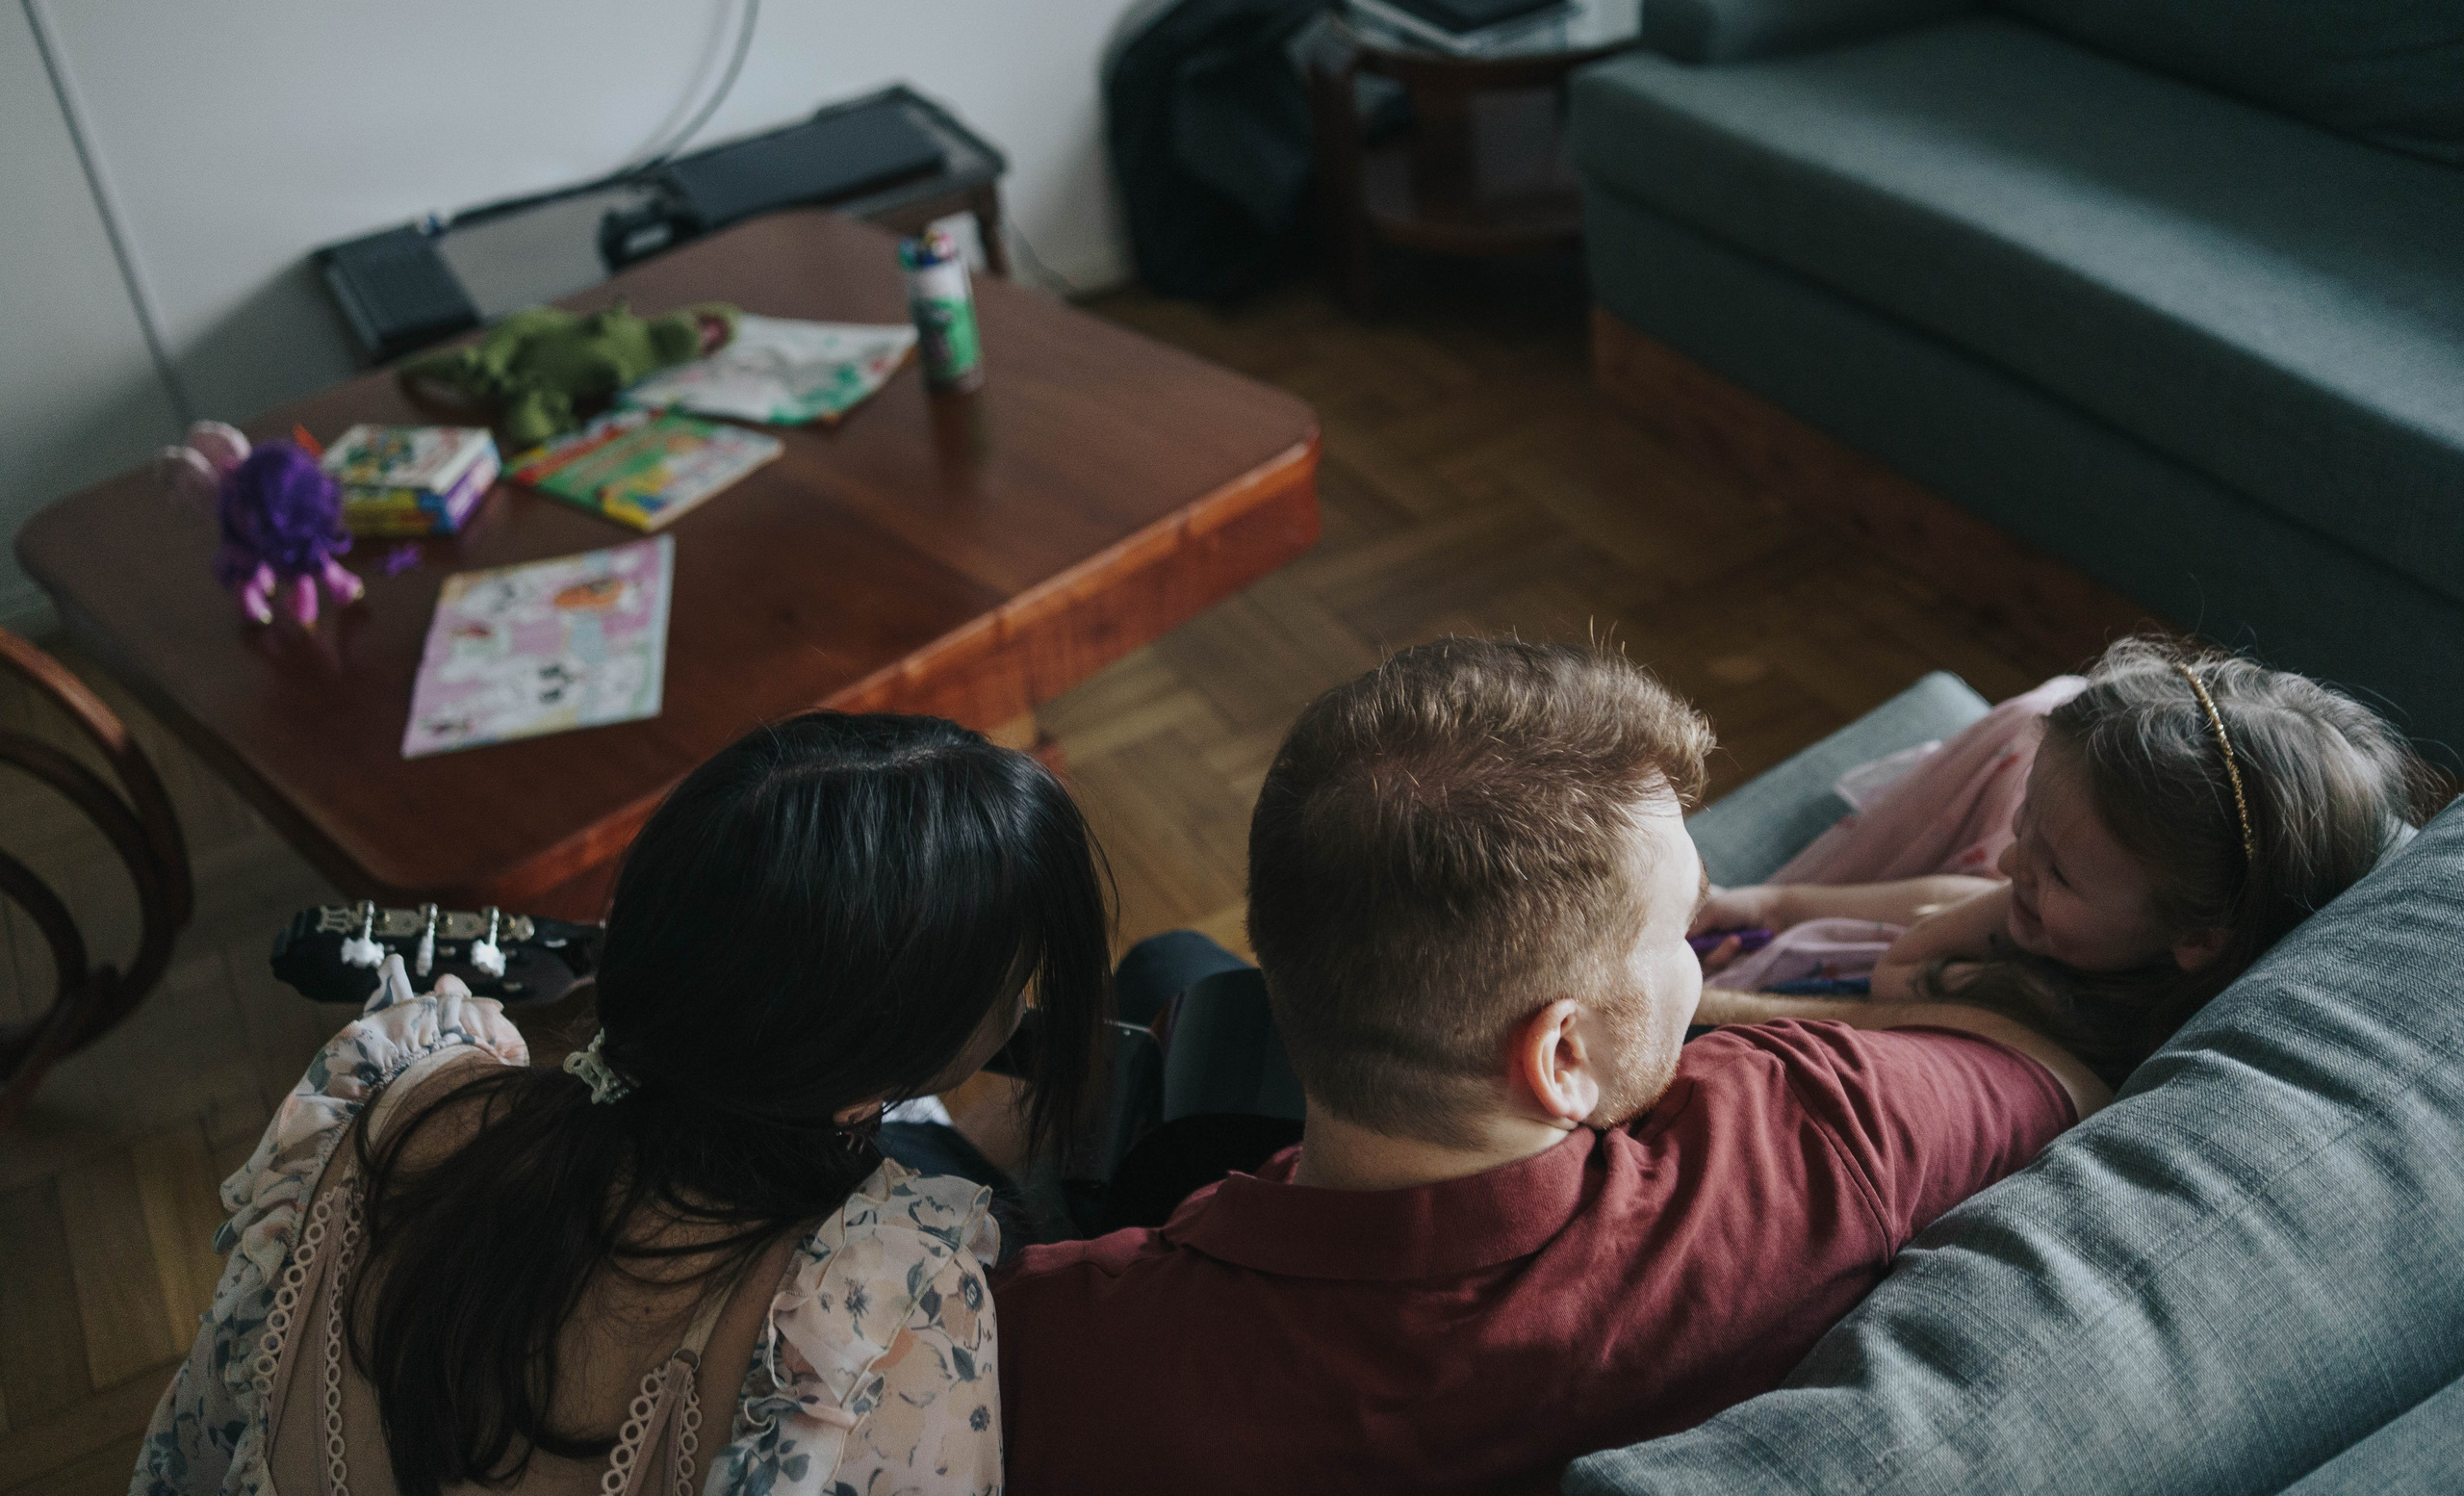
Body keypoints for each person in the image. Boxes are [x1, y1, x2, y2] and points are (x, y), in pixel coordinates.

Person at [991, 637, 2110, 1496]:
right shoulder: (1821, 1143)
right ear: (1562, 1056)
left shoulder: (1057, 1351)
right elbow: (2057, 1071)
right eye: (1681, 931)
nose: (1696, 962)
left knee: (1170, 971)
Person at [132, 711, 1113, 1496]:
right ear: (881, 1056)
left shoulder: (391, 1098)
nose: (1023, 1002)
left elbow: (191, 1452)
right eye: (1012, 977)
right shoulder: (880, 1327)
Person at [1693, 636, 2428, 1083]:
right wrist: (1764, 904)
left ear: (2198, 938)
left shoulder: (2059, 1029)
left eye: (2058, 871)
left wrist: (1687, 1004)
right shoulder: (2089, 917)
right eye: (2028, 826)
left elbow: (1890, 983)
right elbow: (1951, 898)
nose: (2012, 861)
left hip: (1812, 1021)